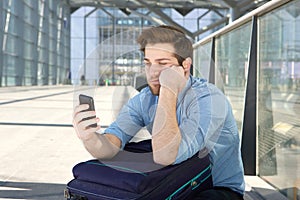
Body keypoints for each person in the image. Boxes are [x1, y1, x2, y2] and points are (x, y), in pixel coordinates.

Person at [73, 25, 245, 200]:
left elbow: (165, 156)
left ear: (185, 66)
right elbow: (111, 145)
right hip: (176, 182)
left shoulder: (209, 99)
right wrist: (90, 137)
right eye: (148, 63)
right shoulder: (145, 99)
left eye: (163, 64)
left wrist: (168, 89)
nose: (153, 72)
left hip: (215, 188)